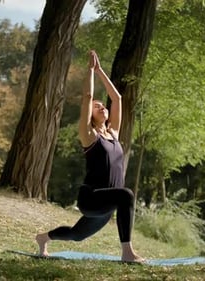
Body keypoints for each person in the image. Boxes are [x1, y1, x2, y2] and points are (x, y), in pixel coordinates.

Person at [35, 50, 144, 263]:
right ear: (91, 116)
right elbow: (87, 97)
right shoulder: (89, 136)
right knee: (127, 195)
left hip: (107, 204)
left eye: (103, 105)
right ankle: (127, 253)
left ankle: (43, 238)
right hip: (91, 198)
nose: (102, 107)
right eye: (97, 107)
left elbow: (117, 98)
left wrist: (101, 70)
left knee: (77, 235)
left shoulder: (113, 133)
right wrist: (90, 71)